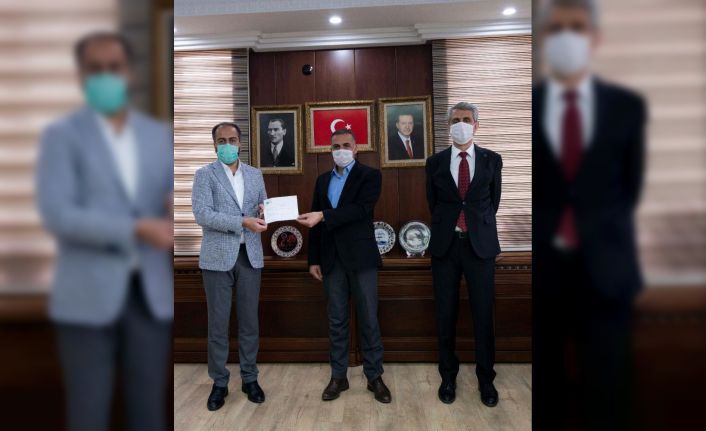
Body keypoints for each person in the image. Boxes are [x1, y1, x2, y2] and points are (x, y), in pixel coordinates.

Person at [35, 32, 173, 431]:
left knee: (148, 414)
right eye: (95, 69)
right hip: (85, 297)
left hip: (149, 297)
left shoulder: (158, 135)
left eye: (114, 67)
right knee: (88, 415)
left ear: (130, 72)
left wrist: (173, 206)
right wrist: (135, 228)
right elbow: (58, 215)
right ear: (80, 75)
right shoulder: (61, 136)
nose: (105, 77)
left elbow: (171, 200)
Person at [533, 1, 647, 429]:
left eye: (577, 28)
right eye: (556, 28)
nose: (566, 37)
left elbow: (630, 188)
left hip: (607, 271)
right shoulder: (532, 103)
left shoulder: (626, 106)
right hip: (546, 274)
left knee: (609, 393)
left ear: (595, 38)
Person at [297, 128, 392, 404]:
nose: (341, 150)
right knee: (336, 320)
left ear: (356, 148)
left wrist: (324, 215)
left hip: (361, 258)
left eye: (346, 145)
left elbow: (361, 210)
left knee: (369, 318)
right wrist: (313, 259)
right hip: (331, 260)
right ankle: (338, 376)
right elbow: (315, 225)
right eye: (336, 146)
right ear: (330, 150)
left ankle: (374, 376)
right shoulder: (322, 180)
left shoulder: (370, 176)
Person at [425, 101, 502, 407]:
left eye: (466, 119)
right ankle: (448, 377)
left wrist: (474, 225)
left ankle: (486, 380)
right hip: (446, 247)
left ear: (476, 125)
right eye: (455, 119)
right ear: (448, 125)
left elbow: (492, 202)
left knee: (483, 315)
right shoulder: (435, 162)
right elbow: (433, 203)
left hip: (480, 246)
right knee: (445, 314)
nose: (461, 124)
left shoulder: (492, 160)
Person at [191, 122, 268, 409]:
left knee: (249, 322)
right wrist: (242, 222)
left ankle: (250, 378)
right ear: (214, 144)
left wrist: (264, 211)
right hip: (217, 259)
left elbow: (263, 207)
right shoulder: (204, 175)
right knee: (218, 325)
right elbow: (202, 214)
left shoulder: (255, 174)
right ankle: (219, 382)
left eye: (232, 139)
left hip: (250, 256)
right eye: (221, 140)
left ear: (240, 142)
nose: (227, 144)